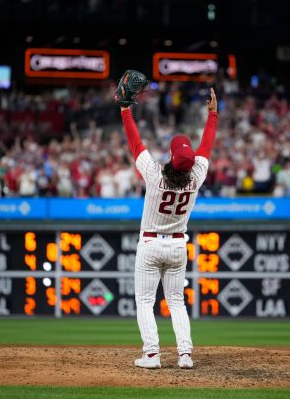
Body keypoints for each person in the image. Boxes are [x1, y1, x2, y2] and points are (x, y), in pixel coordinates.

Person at [120, 87, 218, 369]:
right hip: (177, 244)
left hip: (151, 243)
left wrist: (125, 111)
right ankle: (185, 355)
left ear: (172, 156)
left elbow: (136, 144)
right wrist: (213, 115)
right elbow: (207, 146)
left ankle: (152, 354)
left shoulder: (154, 174)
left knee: (145, 302)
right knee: (176, 302)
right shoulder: (197, 176)